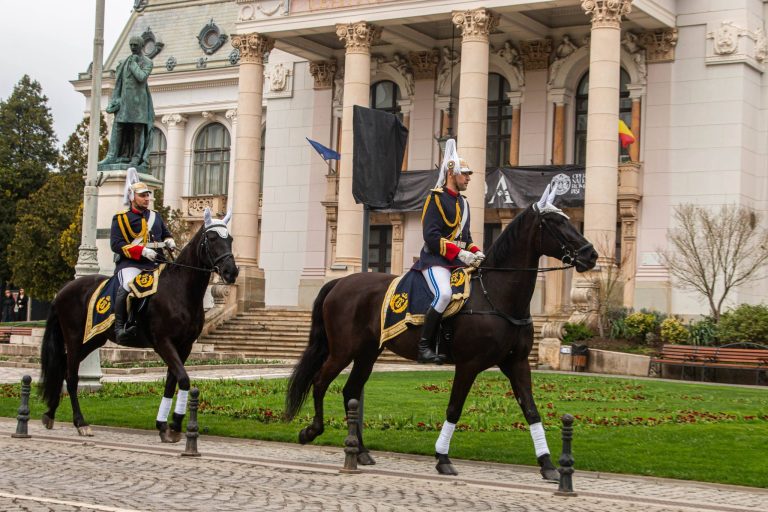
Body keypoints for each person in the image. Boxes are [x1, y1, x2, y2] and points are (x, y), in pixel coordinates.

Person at [411, 139, 485, 364]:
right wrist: (460, 254)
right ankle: (424, 347)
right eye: (465, 174)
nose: (469, 178)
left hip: (456, 263)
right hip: (435, 261)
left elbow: (466, 239)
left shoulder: (464, 203)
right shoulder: (435, 198)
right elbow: (431, 237)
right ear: (452, 173)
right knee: (444, 294)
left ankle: (450, 344)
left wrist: (477, 252)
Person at [110, 168, 175, 342]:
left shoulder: (155, 216)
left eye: (147, 195)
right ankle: (120, 328)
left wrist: (169, 240)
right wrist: (142, 251)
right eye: (142, 196)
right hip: (132, 264)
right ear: (133, 197)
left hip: (157, 263)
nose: (147, 199)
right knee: (126, 288)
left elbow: (165, 233)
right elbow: (116, 245)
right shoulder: (121, 218)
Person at [100, 35, 155, 169]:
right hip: (124, 102)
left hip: (139, 102)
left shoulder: (147, 62)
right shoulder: (123, 62)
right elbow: (119, 83)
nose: (133, 47)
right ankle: (112, 156)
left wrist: (134, 64)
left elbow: (141, 77)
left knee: (137, 130)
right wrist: (115, 100)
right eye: (131, 45)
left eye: (135, 45)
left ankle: (136, 158)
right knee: (118, 127)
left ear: (141, 46)